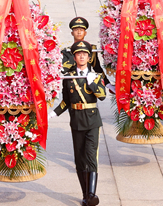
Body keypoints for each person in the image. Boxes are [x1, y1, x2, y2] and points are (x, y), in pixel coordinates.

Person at [52, 40, 106, 206]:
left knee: (91, 157)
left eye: (85, 54)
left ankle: (91, 194)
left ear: (89, 58)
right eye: (79, 54)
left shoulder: (95, 75)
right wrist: (54, 113)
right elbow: (66, 101)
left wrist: (93, 83)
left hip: (92, 121)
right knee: (80, 159)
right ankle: (85, 195)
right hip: (76, 121)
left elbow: (102, 96)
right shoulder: (68, 76)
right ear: (74, 57)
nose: (82, 56)